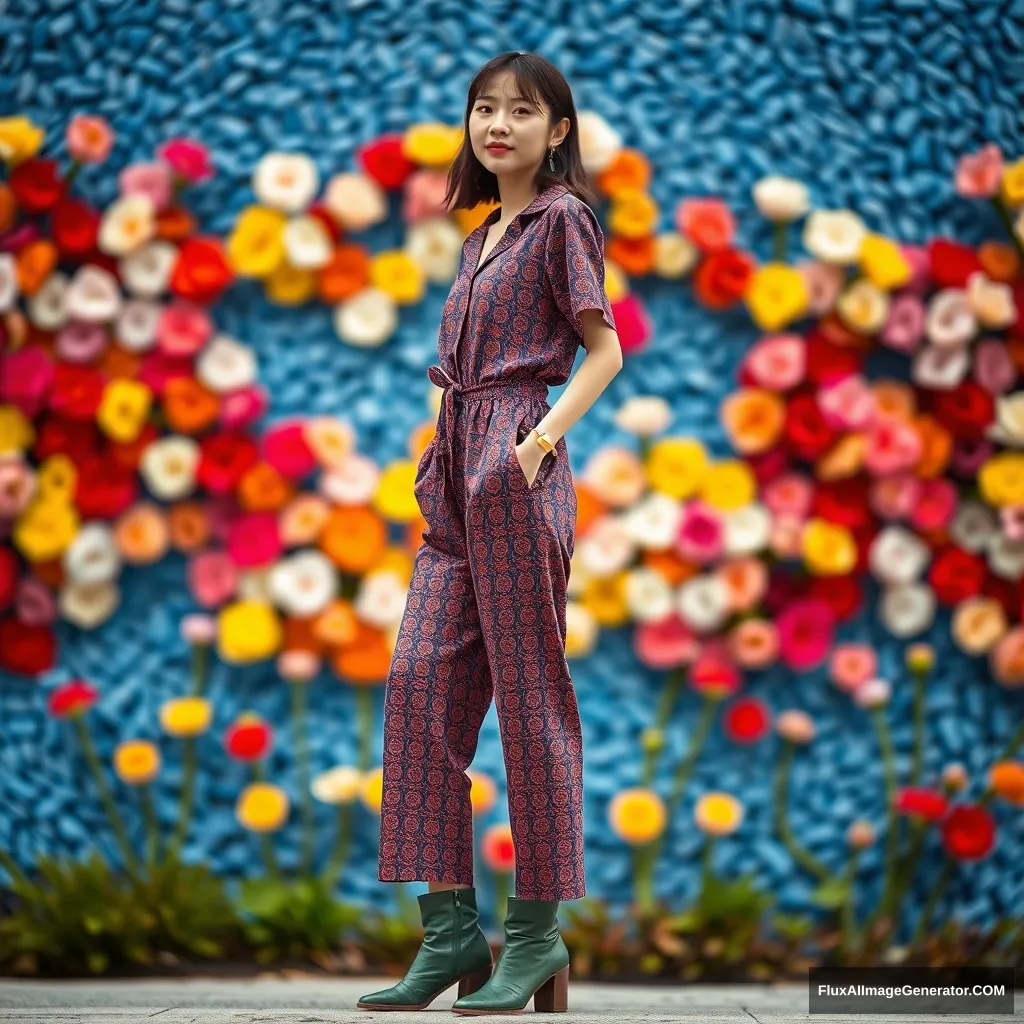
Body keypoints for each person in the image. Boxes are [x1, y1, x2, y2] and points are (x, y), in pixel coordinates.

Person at [357, 50, 622, 1015]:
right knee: (419, 681)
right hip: (455, 475)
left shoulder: (561, 219)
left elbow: (605, 347)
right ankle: (448, 927)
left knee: (530, 700)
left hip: (514, 465)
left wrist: (538, 444)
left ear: (558, 131)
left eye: (522, 110)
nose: (498, 123)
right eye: (483, 108)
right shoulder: (480, 238)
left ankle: (537, 933)